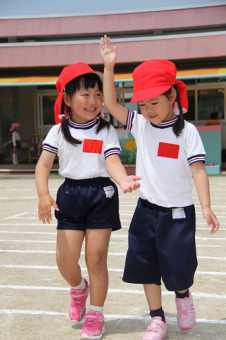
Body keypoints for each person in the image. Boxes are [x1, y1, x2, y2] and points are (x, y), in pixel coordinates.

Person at [100, 35, 219, 340]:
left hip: (178, 213)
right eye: (143, 103)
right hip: (146, 210)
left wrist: (205, 206)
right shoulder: (140, 125)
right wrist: (109, 66)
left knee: (179, 268)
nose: (148, 109)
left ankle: (182, 295)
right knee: (146, 267)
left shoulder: (187, 132)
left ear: (172, 97)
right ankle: (157, 319)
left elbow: (198, 171)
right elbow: (111, 103)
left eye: (155, 102)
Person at [35, 62, 140, 340]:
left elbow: (112, 160)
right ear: (68, 99)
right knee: (65, 261)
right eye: (85, 94)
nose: (93, 101)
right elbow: (43, 166)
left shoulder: (105, 130)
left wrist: (123, 179)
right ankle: (79, 289)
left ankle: (96, 313)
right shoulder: (58, 132)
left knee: (96, 258)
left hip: (100, 194)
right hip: (69, 195)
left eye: (97, 94)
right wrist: (43, 194)